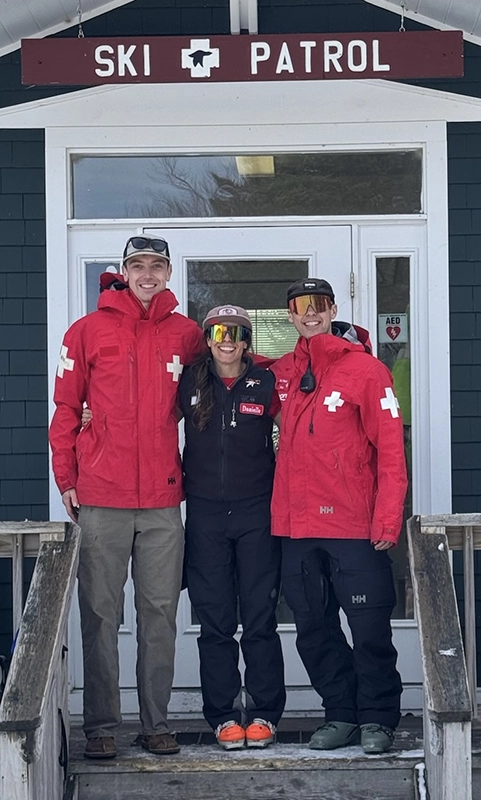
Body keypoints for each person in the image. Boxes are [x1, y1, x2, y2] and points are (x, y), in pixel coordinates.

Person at [49, 236, 204, 759]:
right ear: (124, 271)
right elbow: (66, 411)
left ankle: (157, 722)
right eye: (137, 265)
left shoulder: (186, 335)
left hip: (162, 498)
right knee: (100, 614)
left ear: (166, 273)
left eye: (156, 266)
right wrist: (66, 478)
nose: (147, 275)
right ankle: (101, 726)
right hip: (101, 495)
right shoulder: (87, 331)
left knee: (159, 613)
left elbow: (232, 372)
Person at [271, 278, 407, 755]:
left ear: (332, 309)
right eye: (300, 306)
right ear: (289, 315)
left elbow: (391, 452)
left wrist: (387, 519)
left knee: (369, 628)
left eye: (319, 304)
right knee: (313, 627)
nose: (310, 313)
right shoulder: (282, 372)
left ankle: (378, 718)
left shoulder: (366, 371)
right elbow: (233, 393)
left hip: (354, 525)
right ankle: (341, 713)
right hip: (297, 527)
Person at [178, 305, 286, 750]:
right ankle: (223, 716)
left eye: (237, 332)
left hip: (256, 512)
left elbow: (296, 430)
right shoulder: (189, 381)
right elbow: (145, 421)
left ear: (247, 341)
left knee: (260, 618)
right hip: (205, 514)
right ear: (207, 338)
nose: (228, 340)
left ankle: (263, 713)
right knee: (216, 622)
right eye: (219, 331)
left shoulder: (265, 383)